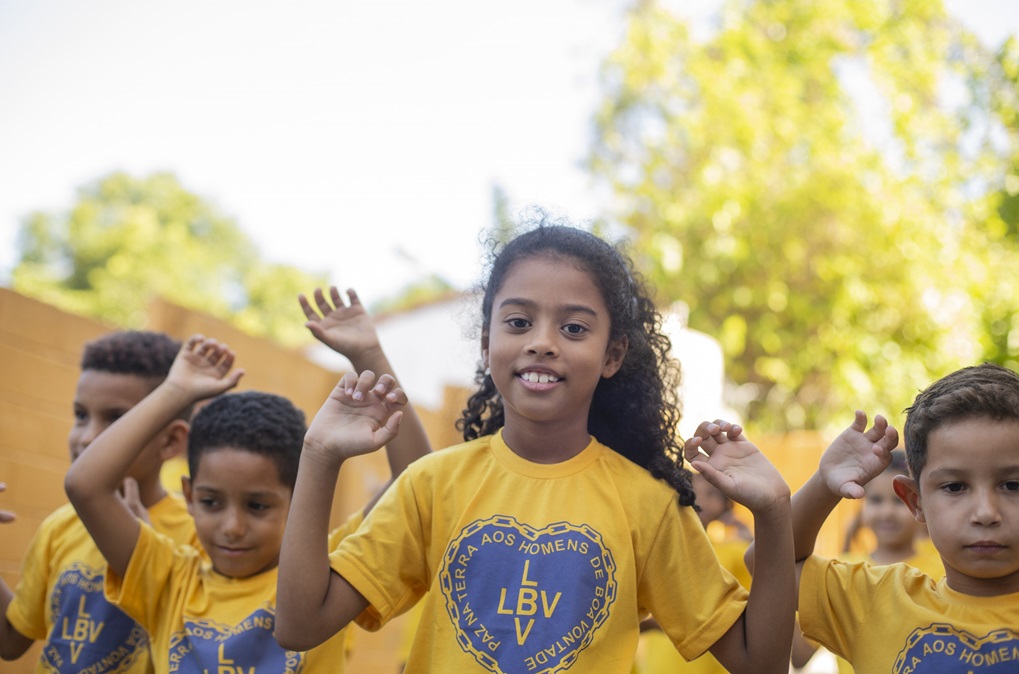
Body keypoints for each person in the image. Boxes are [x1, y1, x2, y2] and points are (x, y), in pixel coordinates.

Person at [275, 222, 796, 673]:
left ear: (612, 354)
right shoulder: (431, 483)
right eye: (519, 321)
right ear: (486, 344)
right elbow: (299, 625)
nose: (542, 341)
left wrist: (773, 513)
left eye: (573, 327)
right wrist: (319, 455)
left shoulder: (649, 505)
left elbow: (760, 663)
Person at [63, 334, 412, 673]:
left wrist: (370, 355)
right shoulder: (168, 580)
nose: (232, 527)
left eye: (257, 506)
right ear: (189, 496)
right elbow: (84, 485)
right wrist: (175, 392)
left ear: (296, 499)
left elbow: (413, 478)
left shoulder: (325, 573)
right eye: (212, 502)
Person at [781, 363, 1019, 671]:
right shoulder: (876, 601)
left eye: (1013, 485)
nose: (986, 513)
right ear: (915, 500)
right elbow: (770, 565)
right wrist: (824, 485)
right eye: (956, 486)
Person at [1, 331, 193, 673]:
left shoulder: (197, 536)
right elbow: (11, 641)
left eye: (116, 418)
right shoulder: (59, 527)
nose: (86, 437)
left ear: (170, 441)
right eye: (80, 415)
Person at [634, 471, 754, 674]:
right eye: (692, 489)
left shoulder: (735, 553)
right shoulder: (657, 550)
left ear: (725, 506)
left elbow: (749, 617)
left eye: (711, 493)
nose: (698, 498)